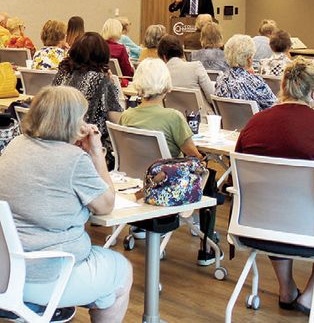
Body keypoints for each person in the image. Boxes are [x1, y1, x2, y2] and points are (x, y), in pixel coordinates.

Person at [235, 57, 314, 318]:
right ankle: (311, 295)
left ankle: (286, 290)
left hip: (260, 223)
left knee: (278, 210)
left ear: (282, 88)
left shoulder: (254, 123)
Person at [0, 86, 132, 323]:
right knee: (121, 271)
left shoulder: (15, 146)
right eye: (81, 117)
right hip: (48, 274)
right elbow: (105, 206)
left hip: (6, 270)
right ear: (70, 121)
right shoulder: (74, 160)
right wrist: (96, 154)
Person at [119, 58, 222, 265]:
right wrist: (203, 159)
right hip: (169, 186)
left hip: (140, 182)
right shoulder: (173, 117)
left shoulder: (127, 115)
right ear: (166, 86)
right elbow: (191, 153)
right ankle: (206, 247)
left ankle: (139, 225)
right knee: (209, 176)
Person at [53, 32, 124, 169]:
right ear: (102, 54)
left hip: (58, 143)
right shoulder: (102, 81)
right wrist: (114, 85)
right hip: (89, 148)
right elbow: (118, 120)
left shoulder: (62, 75)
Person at [215, 34, 276, 110]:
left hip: (228, 121)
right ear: (249, 59)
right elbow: (274, 107)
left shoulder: (221, 80)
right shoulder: (255, 83)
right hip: (253, 121)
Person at [157, 34, 214, 114]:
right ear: (181, 52)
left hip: (172, 120)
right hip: (202, 120)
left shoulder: (159, 74)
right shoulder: (196, 67)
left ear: (164, 57)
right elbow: (212, 96)